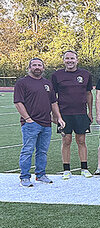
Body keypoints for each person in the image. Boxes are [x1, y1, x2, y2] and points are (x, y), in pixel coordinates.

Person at [14, 58, 65, 186]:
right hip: (31, 124)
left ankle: (40, 174)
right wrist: (28, 119)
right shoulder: (22, 83)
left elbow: (53, 102)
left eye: (40, 65)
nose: (37, 67)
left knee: (42, 151)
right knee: (28, 150)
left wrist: (58, 117)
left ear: (43, 68)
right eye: (34, 65)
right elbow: (18, 102)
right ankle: (24, 177)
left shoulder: (47, 83)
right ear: (29, 68)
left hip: (46, 123)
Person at [51, 51, 94, 179]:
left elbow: (88, 94)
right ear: (63, 60)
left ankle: (84, 168)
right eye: (67, 58)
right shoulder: (56, 75)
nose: (70, 61)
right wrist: (55, 114)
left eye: (72, 58)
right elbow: (53, 96)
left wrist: (90, 112)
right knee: (66, 141)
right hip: (64, 114)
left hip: (81, 113)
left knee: (81, 141)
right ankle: (66, 170)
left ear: (77, 60)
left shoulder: (85, 74)